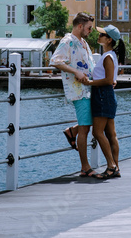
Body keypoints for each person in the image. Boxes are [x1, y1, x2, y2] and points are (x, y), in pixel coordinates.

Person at [50, 12, 101, 178]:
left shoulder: (83, 42)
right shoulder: (67, 41)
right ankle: (85, 167)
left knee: (91, 122)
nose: (91, 31)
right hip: (78, 91)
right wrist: (76, 72)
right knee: (85, 128)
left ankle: (72, 131)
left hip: (89, 89)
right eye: (89, 28)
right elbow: (56, 61)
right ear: (80, 26)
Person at [86, 24, 125, 179]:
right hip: (106, 95)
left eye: (102, 34)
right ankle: (115, 167)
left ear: (109, 40)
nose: (99, 36)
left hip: (102, 95)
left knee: (97, 132)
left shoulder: (108, 57)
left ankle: (111, 166)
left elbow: (108, 80)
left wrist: (89, 83)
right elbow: (111, 79)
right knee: (110, 134)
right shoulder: (111, 55)